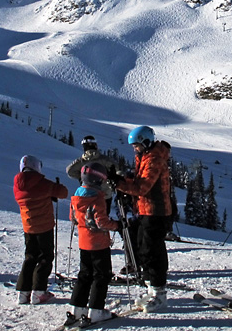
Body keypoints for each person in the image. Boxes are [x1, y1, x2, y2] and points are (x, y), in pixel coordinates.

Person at [111, 125, 172, 312]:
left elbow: (142, 188)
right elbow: (138, 183)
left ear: (146, 142)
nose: (135, 149)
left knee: (153, 251)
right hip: (146, 211)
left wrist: (120, 184)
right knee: (143, 248)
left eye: (137, 145)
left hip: (156, 212)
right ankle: (152, 289)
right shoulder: (145, 157)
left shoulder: (153, 159)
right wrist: (121, 180)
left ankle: (159, 293)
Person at [64, 162, 120, 327]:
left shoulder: (76, 196)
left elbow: (73, 218)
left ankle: (77, 309)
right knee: (101, 275)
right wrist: (117, 225)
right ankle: (96, 311)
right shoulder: (97, 198)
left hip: (83, 241)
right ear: (98, 180)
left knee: (85, 274)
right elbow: (101, 222)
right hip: (98, 243)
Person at [13, 154, 69, 305]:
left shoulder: (17, 184)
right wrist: (51, 192)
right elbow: (63, 192)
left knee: (30, 257)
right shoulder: (42, 182)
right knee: (45, 257)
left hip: (28, 226)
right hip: (44, 226)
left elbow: (31, 195)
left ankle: (23, 292)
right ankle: (38, 292)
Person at [66, 135, 117, 213]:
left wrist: (83, 177)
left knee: (86, 218)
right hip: (105, 194)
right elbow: (117, 169)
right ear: (95, 146)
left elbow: (70, 171)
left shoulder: (81, 162)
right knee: (104, 218)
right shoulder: (104, 160)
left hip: (87, 194)